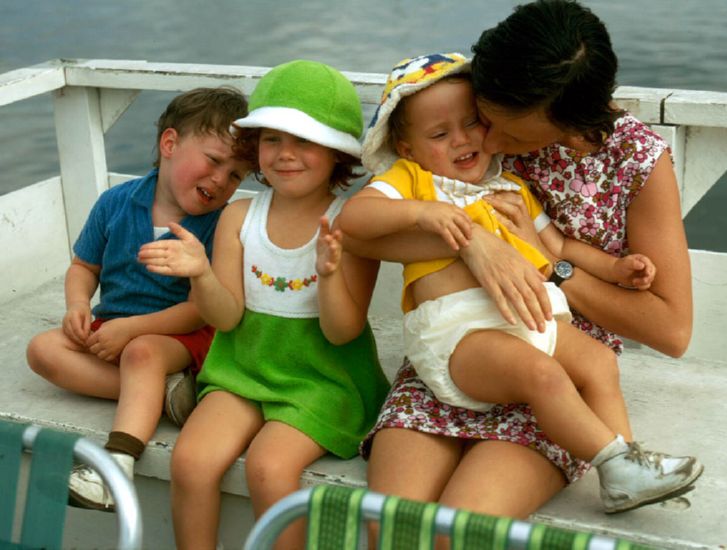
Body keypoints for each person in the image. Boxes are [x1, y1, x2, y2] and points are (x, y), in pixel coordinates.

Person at [342, 0, 698, 521]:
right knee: (390, 519)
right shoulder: (474, 112)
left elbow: (672, 330)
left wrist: (549, 268)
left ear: (570, 128)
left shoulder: (634, 160)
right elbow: (362, 232)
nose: (483, 140)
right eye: (485, 118)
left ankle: (622, 465)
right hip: (460, 334)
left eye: (510, 134)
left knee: (456, 527)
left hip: (558, 356)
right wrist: (473, 244)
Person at [138, 59, 390, 550]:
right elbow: (227, 315)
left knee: (270, 468)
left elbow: (342, 332)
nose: (285, 155)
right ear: (254, 147)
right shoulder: (238, 216)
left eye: (304, 141)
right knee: (189, 460)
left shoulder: (351, 222)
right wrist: (202, 274)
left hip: (322, 380)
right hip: (244, 367)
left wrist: (329, 273)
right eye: (272, 139)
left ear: (337, 152)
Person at [25, 87, 251, 511]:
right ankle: (163, 399)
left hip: (178, 337)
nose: (222, 179)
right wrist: (77, 305)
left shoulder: (220, 226)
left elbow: (200, 309)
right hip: (112, 326)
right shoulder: (115, 202)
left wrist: (133, 329)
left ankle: (117, 466)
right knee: (43, 350)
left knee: (143, 354)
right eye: (214, 160)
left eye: (236, 175)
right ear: (170, 144)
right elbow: (83, 268)